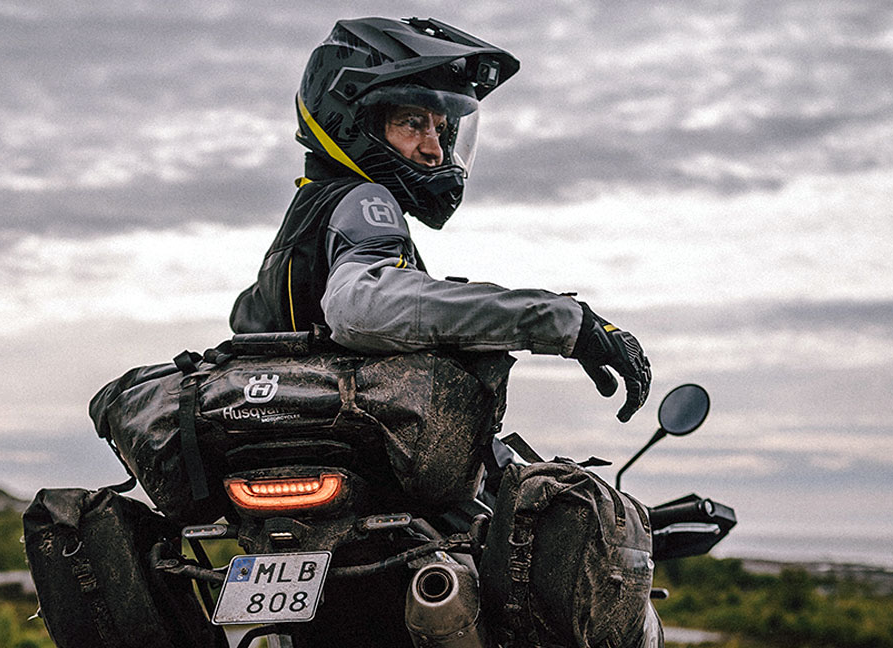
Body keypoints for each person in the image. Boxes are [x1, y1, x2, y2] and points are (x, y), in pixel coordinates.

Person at [230, 16, 651, 423]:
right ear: (354, 122)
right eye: (413, 123)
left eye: (442, 129)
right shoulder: (364, 198)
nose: (434, 150)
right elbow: (360, 305)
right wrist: (561, 319)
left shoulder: (308, 215)